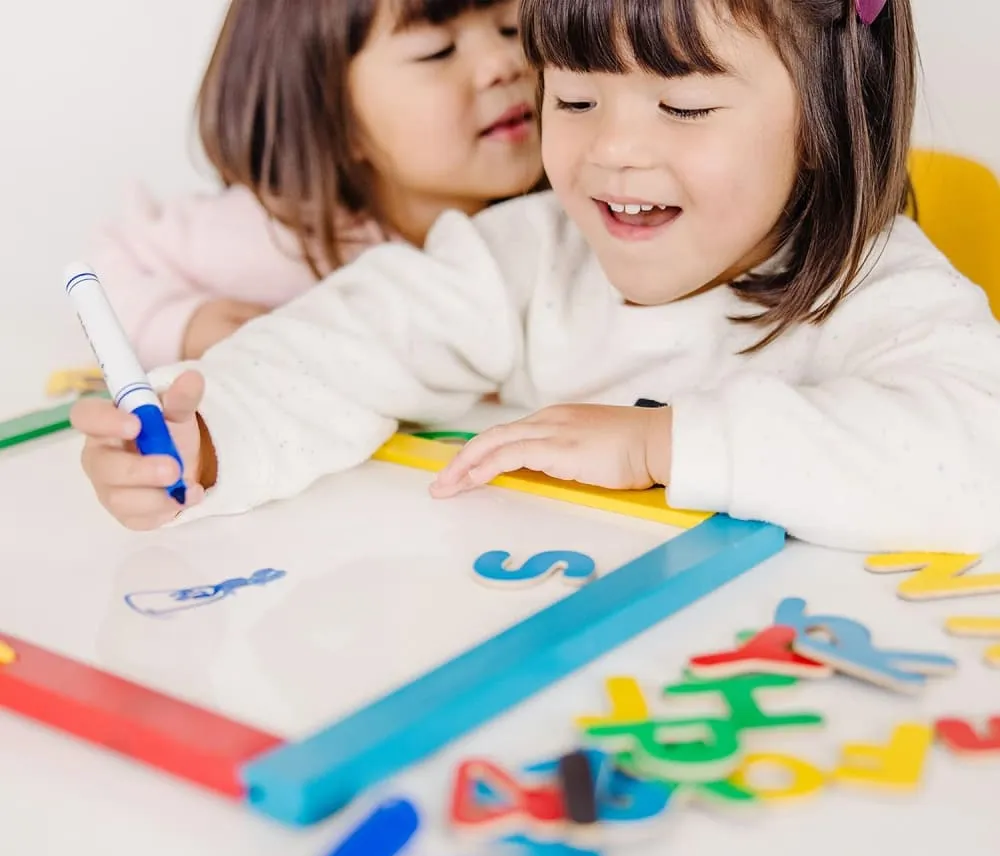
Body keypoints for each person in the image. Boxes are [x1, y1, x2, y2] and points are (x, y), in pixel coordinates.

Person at [72, 0, 1000, 553]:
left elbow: (977, 457)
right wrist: (208, 439)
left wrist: (660, 446)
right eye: (576, 96)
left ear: (829, 119)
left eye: (684, 104)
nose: (614, 150)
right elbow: (348, 343)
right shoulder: (527, 252)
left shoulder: (874, 282)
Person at [83, 0, 542, 366]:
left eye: (511, 27)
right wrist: (182, 325)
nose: (506, 62)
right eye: (437, 50)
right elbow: (102, 276)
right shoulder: (276, 237)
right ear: (332, 120)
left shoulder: (571, 214)